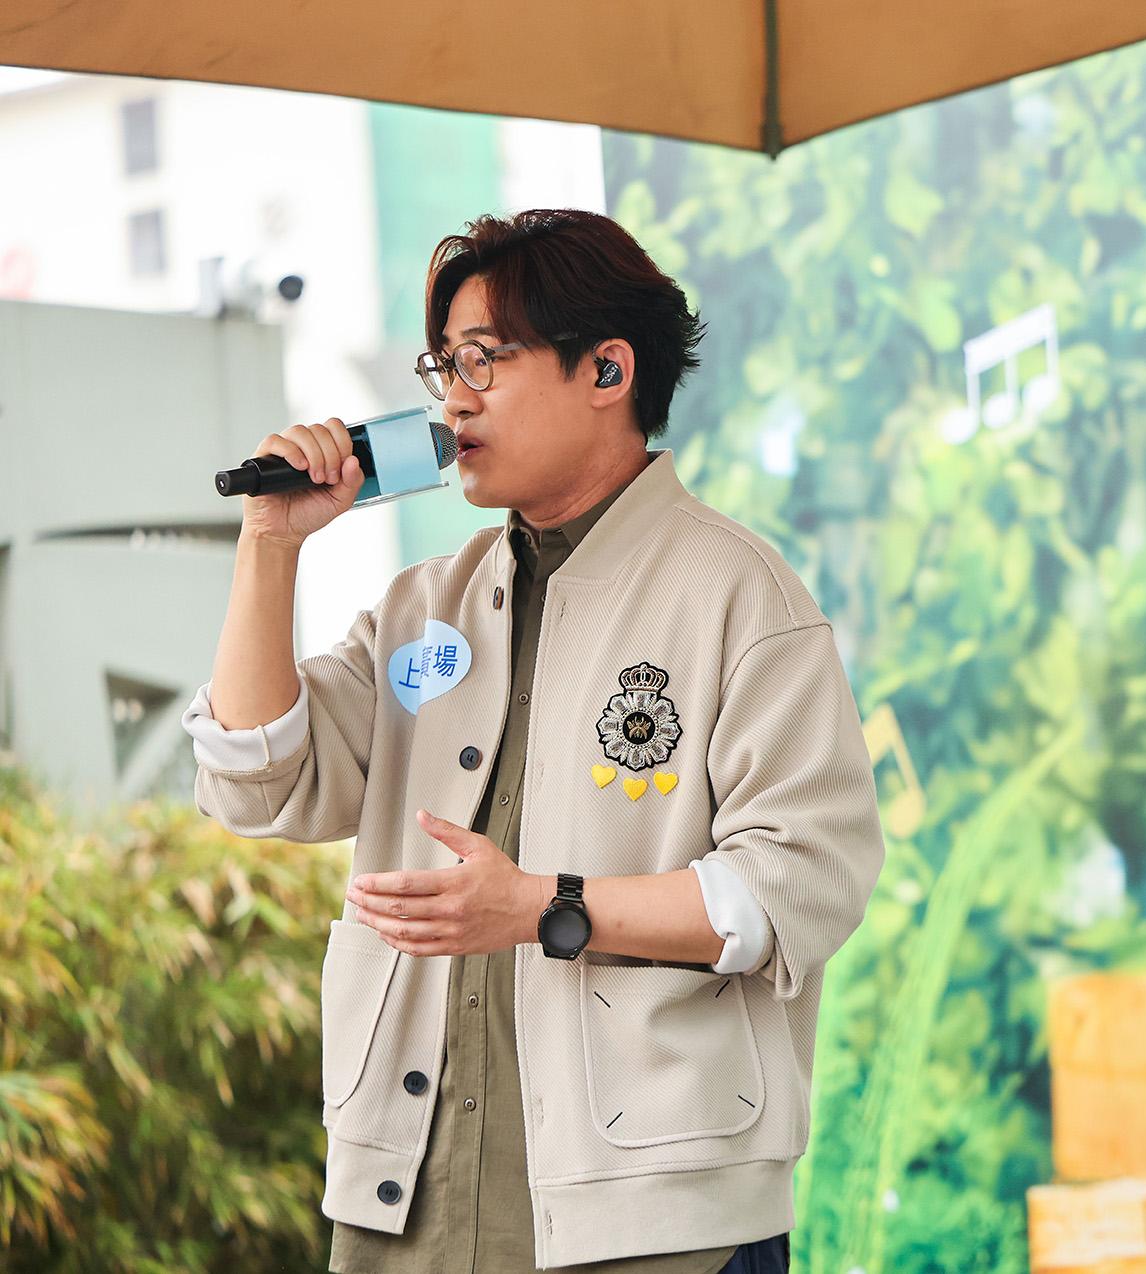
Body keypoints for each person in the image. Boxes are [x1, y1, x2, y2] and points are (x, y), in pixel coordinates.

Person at [181, 208, 884, 1273]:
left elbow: (802, 881)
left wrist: (546, 907)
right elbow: (255, 778)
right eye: (444, 366)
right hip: (409, 1208)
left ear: (607, 369)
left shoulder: (739, 594)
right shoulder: (426, 603)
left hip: (658, 1227)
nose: (454, 398)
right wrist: (268, 545)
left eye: (484, 359)